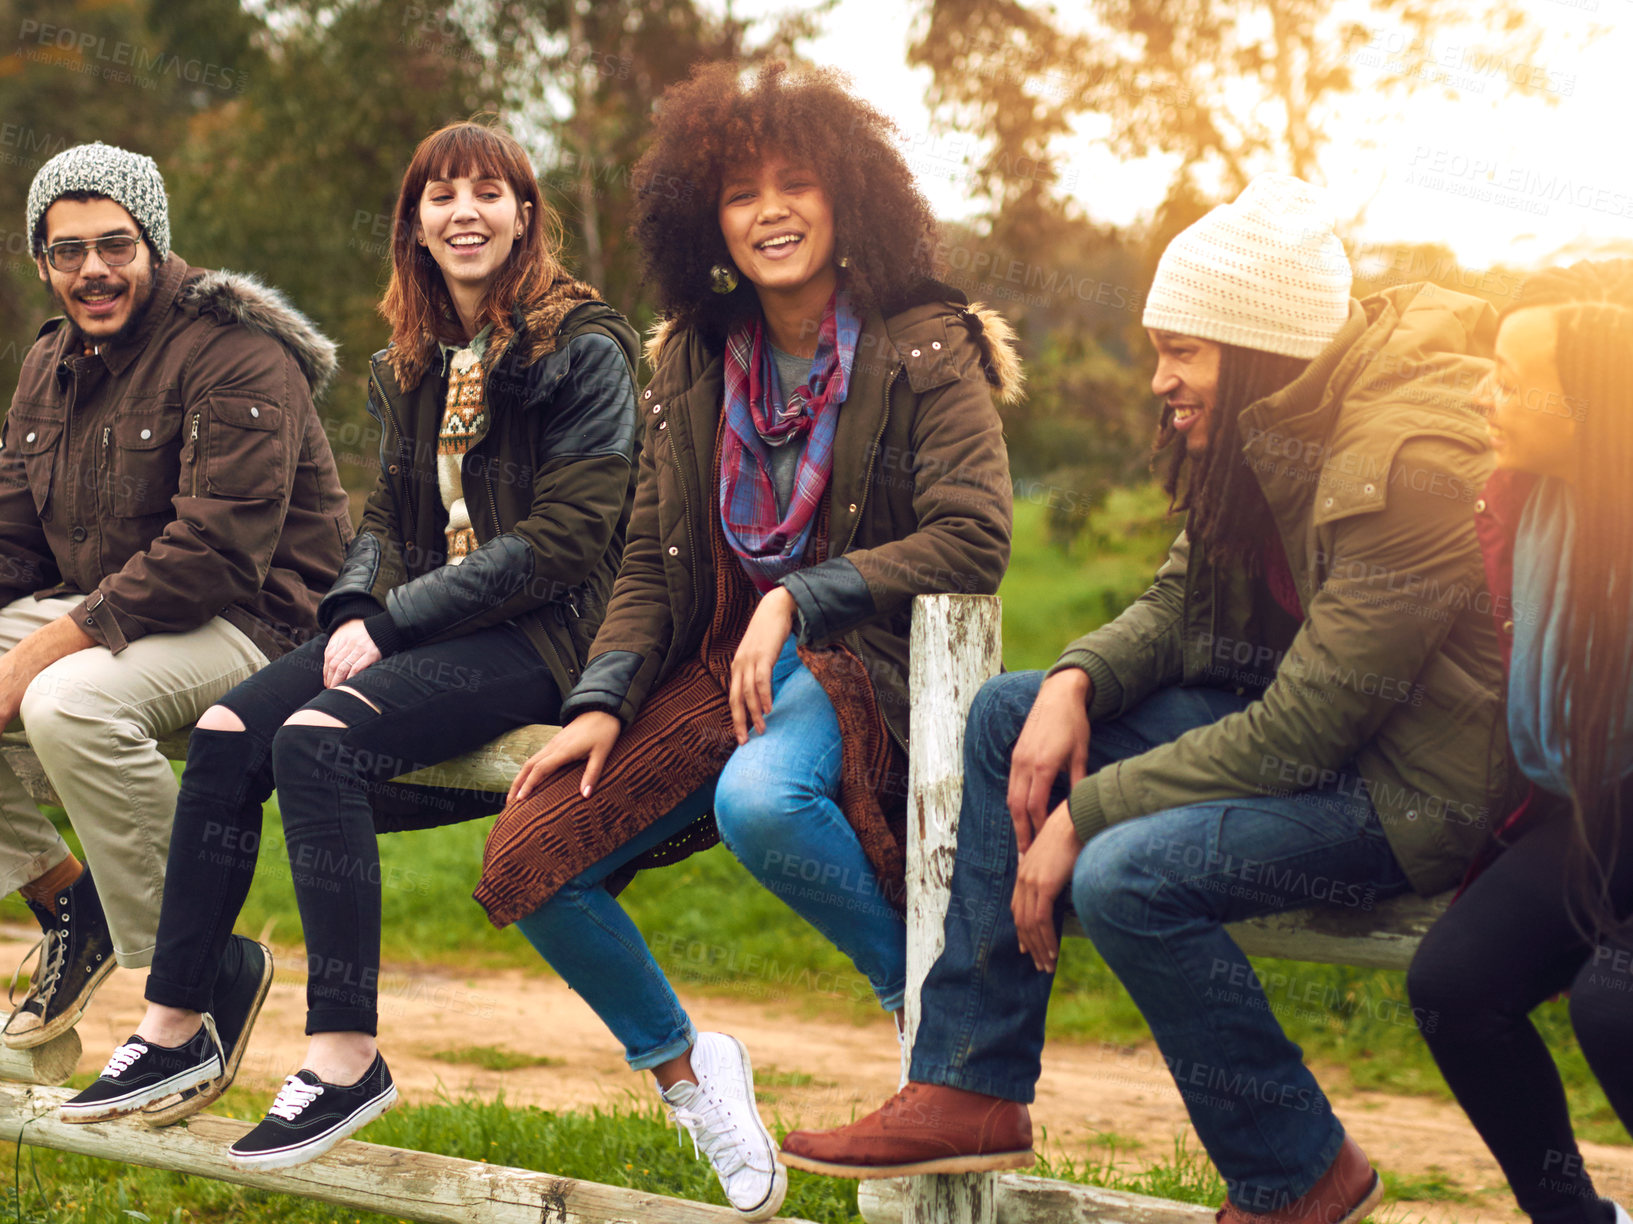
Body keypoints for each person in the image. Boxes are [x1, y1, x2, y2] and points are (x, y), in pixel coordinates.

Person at [778, 175, 1511, 1224]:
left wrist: (1087, 812)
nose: (1160, 378)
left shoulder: (1408, 459)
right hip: (1309, 742)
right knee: (1006, 717)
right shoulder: (1275, 417)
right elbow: (1181, 602)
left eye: (1183, 350)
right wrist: (1075, 679)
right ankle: (969, 1085)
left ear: (1256, 345)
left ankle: (1298, 1173)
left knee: (1127, 875)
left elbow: (1312, 724)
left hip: (1404, 790)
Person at [474, 62, 1018, 1221]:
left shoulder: (926, 340)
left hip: (857, 663)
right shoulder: (691, 354)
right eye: (739, 192)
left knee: (763, 804)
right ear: (704, 220)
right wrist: (601, 700)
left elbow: (975, 537)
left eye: (796, 183)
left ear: (848, 196)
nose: (769, 210)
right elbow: (643, 557)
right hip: (715, 668)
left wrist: (800, 597)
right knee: (526, 857)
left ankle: (939, 1024)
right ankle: (691, 1075)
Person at [61, 120, 640, 1171]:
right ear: (414, 225)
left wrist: (392, 622)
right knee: (233, 726)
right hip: (423, 618)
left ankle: (343, 1058)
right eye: (440, 195)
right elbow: (386, 522)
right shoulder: (408, 362)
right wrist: (353, 609)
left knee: (317, 742)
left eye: (488, 192)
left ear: (524, 215)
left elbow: (565, 543)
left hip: (544, 636)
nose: (464, 211)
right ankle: (172, 1032)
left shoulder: (584, 349)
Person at [0, 142, 350, 1050]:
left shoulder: (236, 352)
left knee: (65, 702)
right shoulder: (49, 363)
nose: (93, 270)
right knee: (50, 683)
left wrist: (38, 651)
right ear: (42, 262)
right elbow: (12, 540)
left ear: (153, 244)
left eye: (114, 245)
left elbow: (216, 553)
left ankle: (193, 976)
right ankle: (71, 905)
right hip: (115, 609)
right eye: (67, 250)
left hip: (252, 619)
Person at [1405, 259, 1633, 1224]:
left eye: (1507, 374)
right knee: (1453, 985)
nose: (1481, 391)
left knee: (1613, 1006)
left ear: (1583, 404)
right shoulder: (1520, 504)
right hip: (1589, 812)